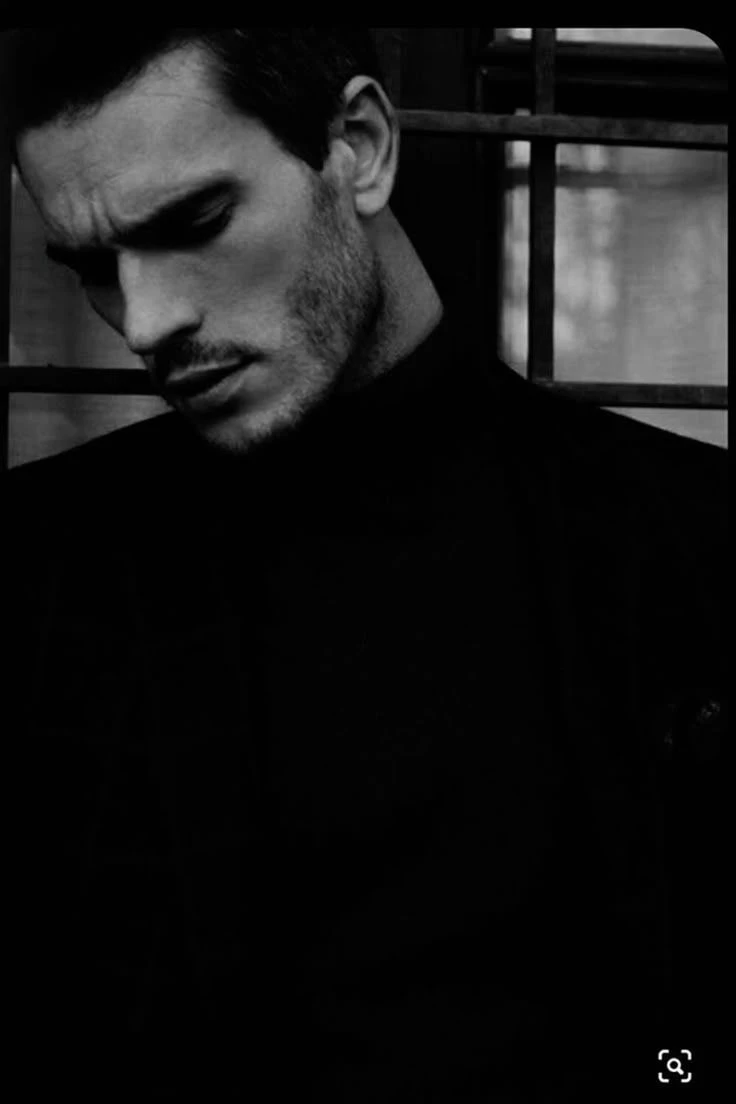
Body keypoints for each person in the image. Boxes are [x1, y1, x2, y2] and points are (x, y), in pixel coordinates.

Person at [2, 28, 726, 1102]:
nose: (145, 322)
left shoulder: (687, 541)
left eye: (194, 222)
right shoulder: (35, 573)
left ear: (361, 147)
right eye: (94, 268)